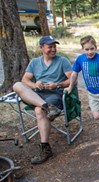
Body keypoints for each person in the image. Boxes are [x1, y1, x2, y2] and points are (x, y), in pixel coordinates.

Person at [13, 35, 72, 164]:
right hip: (37, 95)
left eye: (54, 46)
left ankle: (45, 148)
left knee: (39, 111)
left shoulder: (62, 61)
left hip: (54, 94)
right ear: (41, 47)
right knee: (17, 85)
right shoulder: (34, 62)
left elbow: (72, 80)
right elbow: (25, 80)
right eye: (50, 47)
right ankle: (47, 107)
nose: (53, 49)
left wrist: (57, 85)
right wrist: (35, 85)